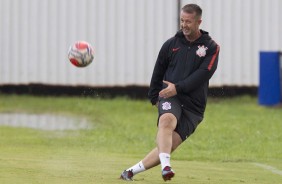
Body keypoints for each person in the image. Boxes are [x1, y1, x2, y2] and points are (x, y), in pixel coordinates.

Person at [120, 3, 220, 181]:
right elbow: (158, 70)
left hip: (194, 107)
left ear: (199, 22)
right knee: (166, 121)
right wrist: (153, 96)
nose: (184, 25)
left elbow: (203, 74)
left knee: (168, 145)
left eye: (188, 21)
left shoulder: (211, 47)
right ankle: (166, 167)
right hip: (170, 95)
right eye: (182, 20)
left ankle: (130, 172)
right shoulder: (171, 44)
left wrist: (178, 87)